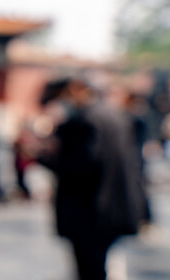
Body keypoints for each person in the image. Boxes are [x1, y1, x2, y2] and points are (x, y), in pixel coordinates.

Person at [38, 78, 145, 280]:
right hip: (113, 208)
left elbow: (80, 165)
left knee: (90, 269)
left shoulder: (85, 121)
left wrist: (42, 156)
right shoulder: (117, 115)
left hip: (89, 211)